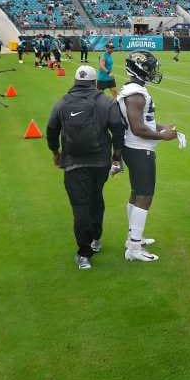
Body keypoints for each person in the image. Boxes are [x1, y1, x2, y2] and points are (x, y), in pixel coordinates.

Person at [46, 66, 125, 269]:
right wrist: (117, 155)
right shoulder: (105, 101)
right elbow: (117, 127)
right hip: (100, 161)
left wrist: (56, 153)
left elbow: (51, 128)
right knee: (96, 197)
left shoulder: (63, 102)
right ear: (94, 82)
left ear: (75, 81)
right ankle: (95, 239)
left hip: (73, 163)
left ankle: (84, 254)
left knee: (80, 206)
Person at [116, 52, 179, 262]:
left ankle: (133, 237)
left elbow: (145, 122)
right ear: (140, 68)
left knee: (137, 193)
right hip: (138, 148)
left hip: (134, 147)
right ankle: (134, 246)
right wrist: (164, 135)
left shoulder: (133, 90)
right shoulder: (135, 94)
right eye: (150, 68)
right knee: (145, 195)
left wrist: (161, 127)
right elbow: (138, 128)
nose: (153, 72)